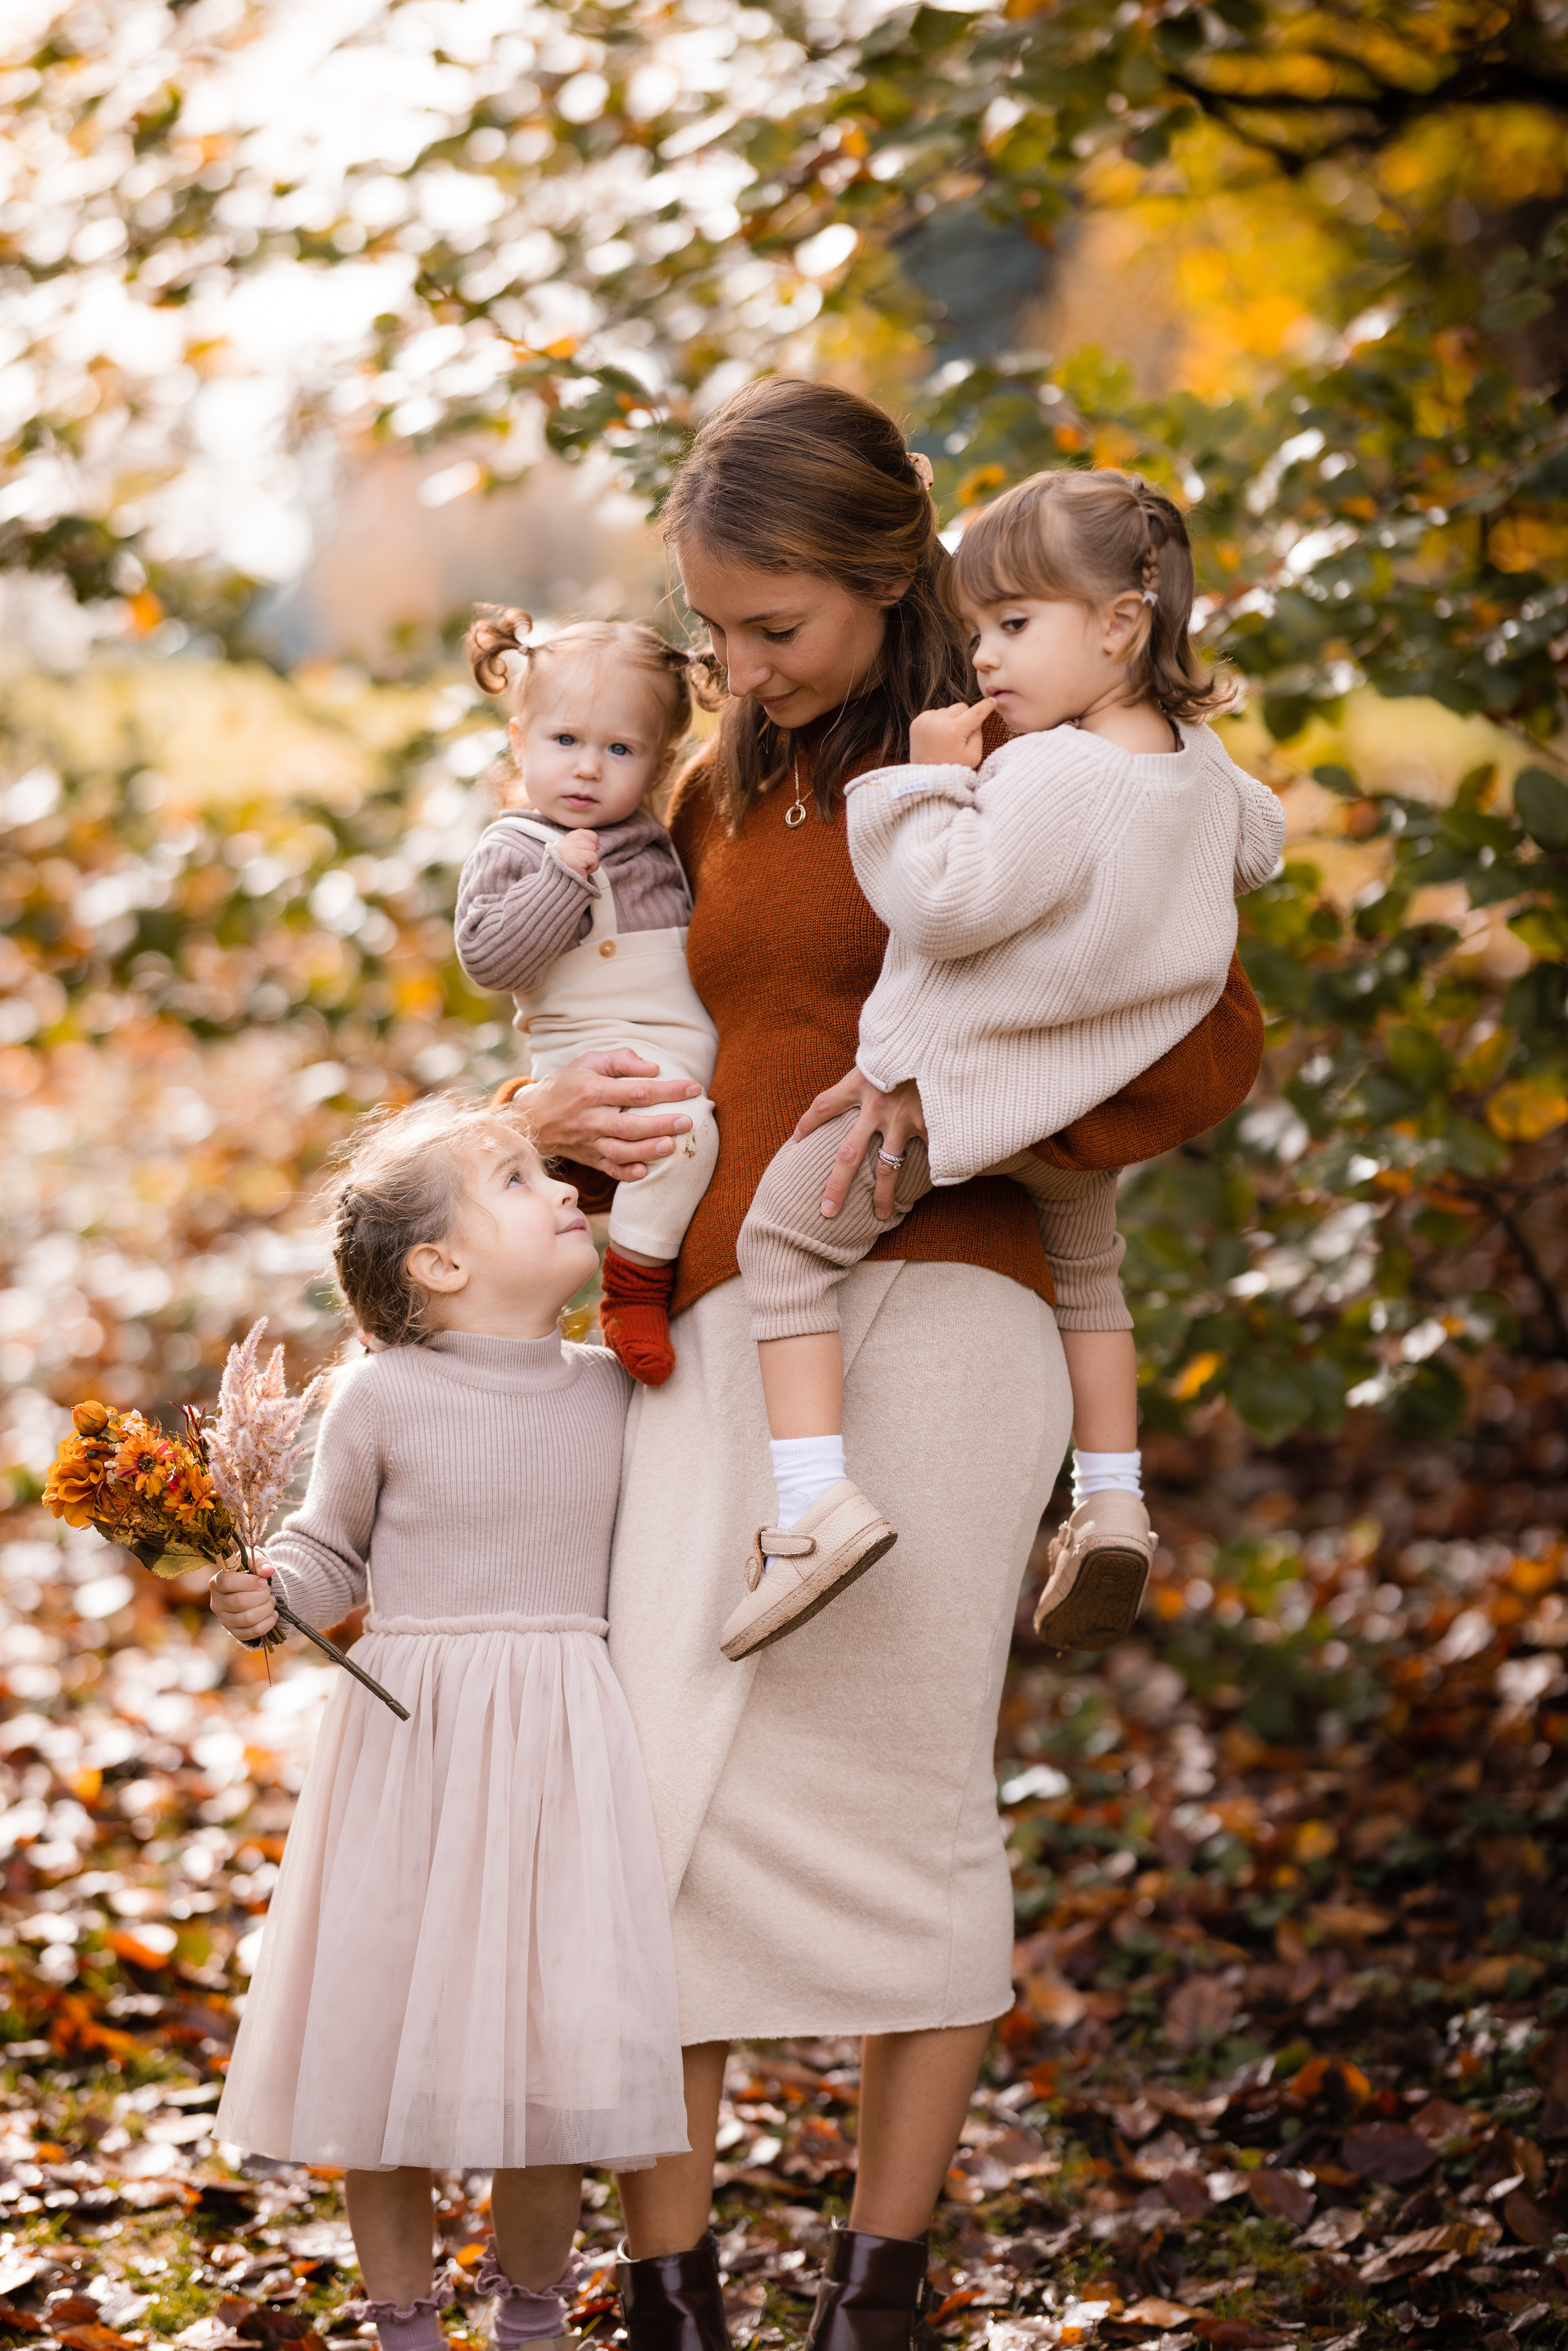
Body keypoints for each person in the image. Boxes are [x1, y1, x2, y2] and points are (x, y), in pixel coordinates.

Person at [508, 377, 1268, 2351]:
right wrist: (553, 1108)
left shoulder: (1033, 754)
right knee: (649, 1774)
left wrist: (980, 1125)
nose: (744, 670)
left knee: (907, 1780)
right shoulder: (714, 787)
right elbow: (652, 1022)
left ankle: (878, 2286)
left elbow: (1194, 1032)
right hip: (722, 1328)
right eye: (714, 635)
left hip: (941, 1307)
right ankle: (673, 2289)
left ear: (887, 579)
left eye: (781, 630)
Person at [722, 466, 1285, 1663]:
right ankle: (1111, 1499)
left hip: (951, 1100)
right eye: (977, 628)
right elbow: (1261, 846)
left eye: (1014, 625)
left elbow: (943, 904)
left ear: (1120, 626)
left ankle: (811, 1504)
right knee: (1092, 1281)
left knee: (781, 1241)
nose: (982, 659)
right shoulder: (1190, 764)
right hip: (1079, 1116)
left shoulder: (1048, 772)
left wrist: (922, 779)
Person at [206, 1098, 687, 2351]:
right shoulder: (383, 1397)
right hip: (414, 1740)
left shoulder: (618, 1391)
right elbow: (328, 1546)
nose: (563, 1187)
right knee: (383, 2012)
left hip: (561, 1741)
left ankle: (529, 2308)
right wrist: (272, 1600)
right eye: (522, 1177)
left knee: (549, 2038)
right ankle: (405, 2315)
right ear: (440, 1263)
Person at [454, 615, 720, 1387]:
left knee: (684, 1138)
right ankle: (632, 1288)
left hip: (678, 1048)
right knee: (681, 1134)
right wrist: (559, 881)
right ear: (519, 739)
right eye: (564, 741)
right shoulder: (515, 846)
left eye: (619, 750)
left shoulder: (656, 840)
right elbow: (488, 959)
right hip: (595, 1055)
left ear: (660, 761)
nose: (587, 770)